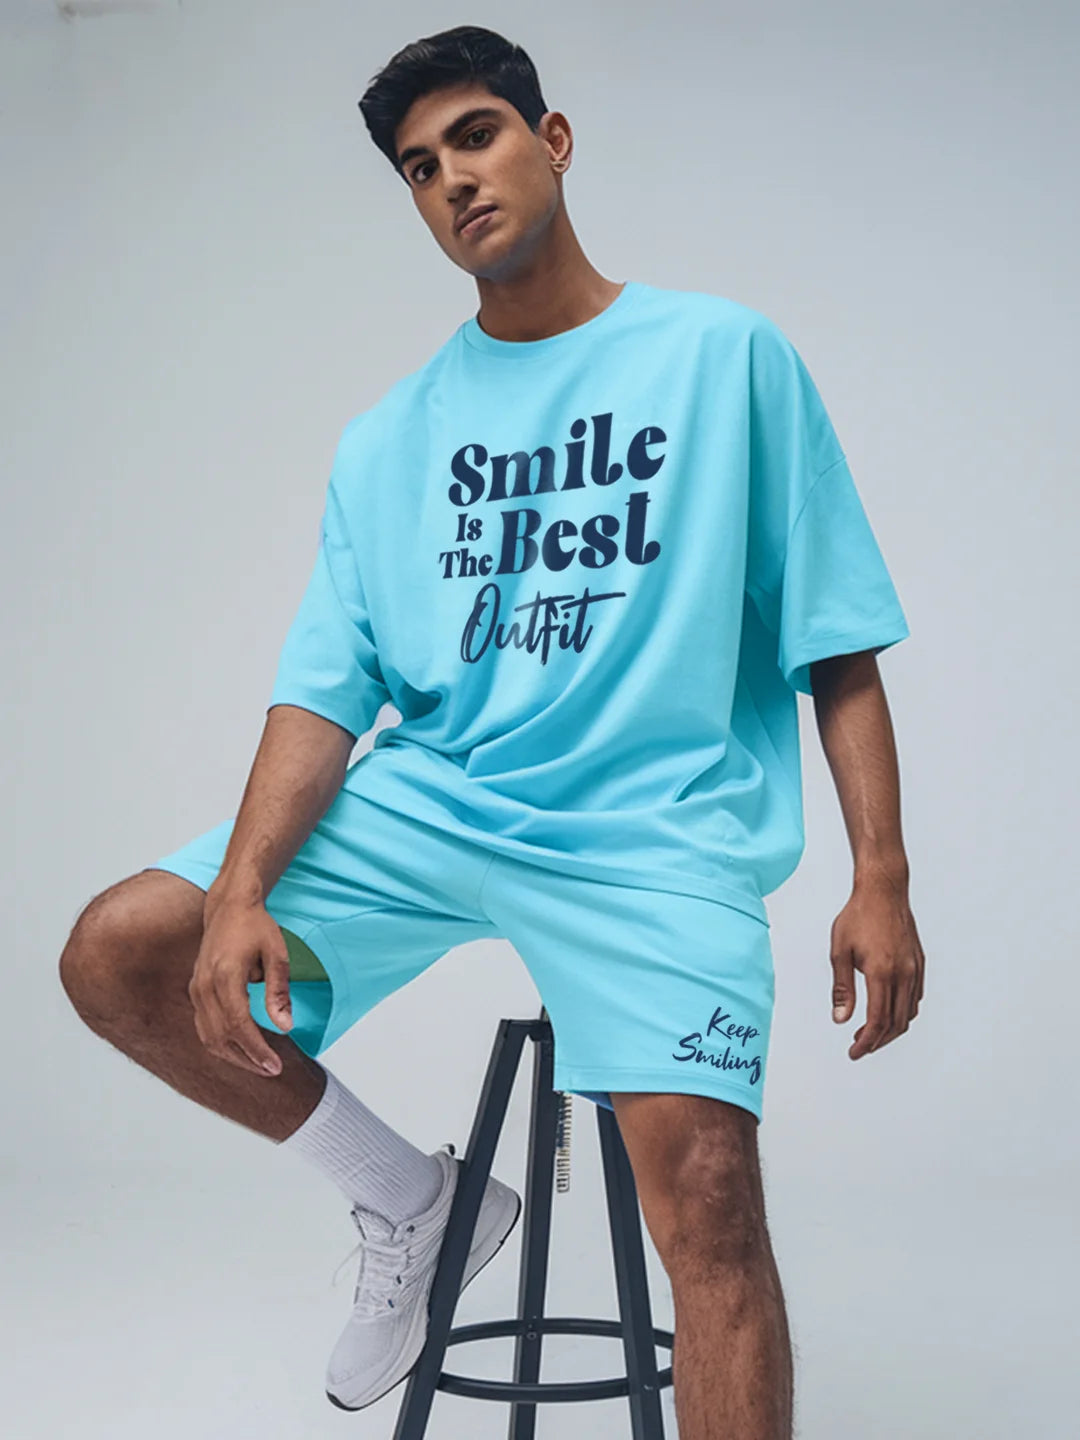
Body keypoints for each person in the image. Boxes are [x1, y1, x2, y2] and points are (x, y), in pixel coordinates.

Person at [58, 23, 926, 1440]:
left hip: (651, 832)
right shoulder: (386, 440)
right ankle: (408, 1199)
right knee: (121, 951)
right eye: (420, 167)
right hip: (444, 805)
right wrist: (241, 891)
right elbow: (324, 697)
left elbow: (835, 638)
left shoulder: (723, 358)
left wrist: (879, 875)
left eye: (477, 136)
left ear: (553, 140)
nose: (453, 179)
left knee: (712, 1206)